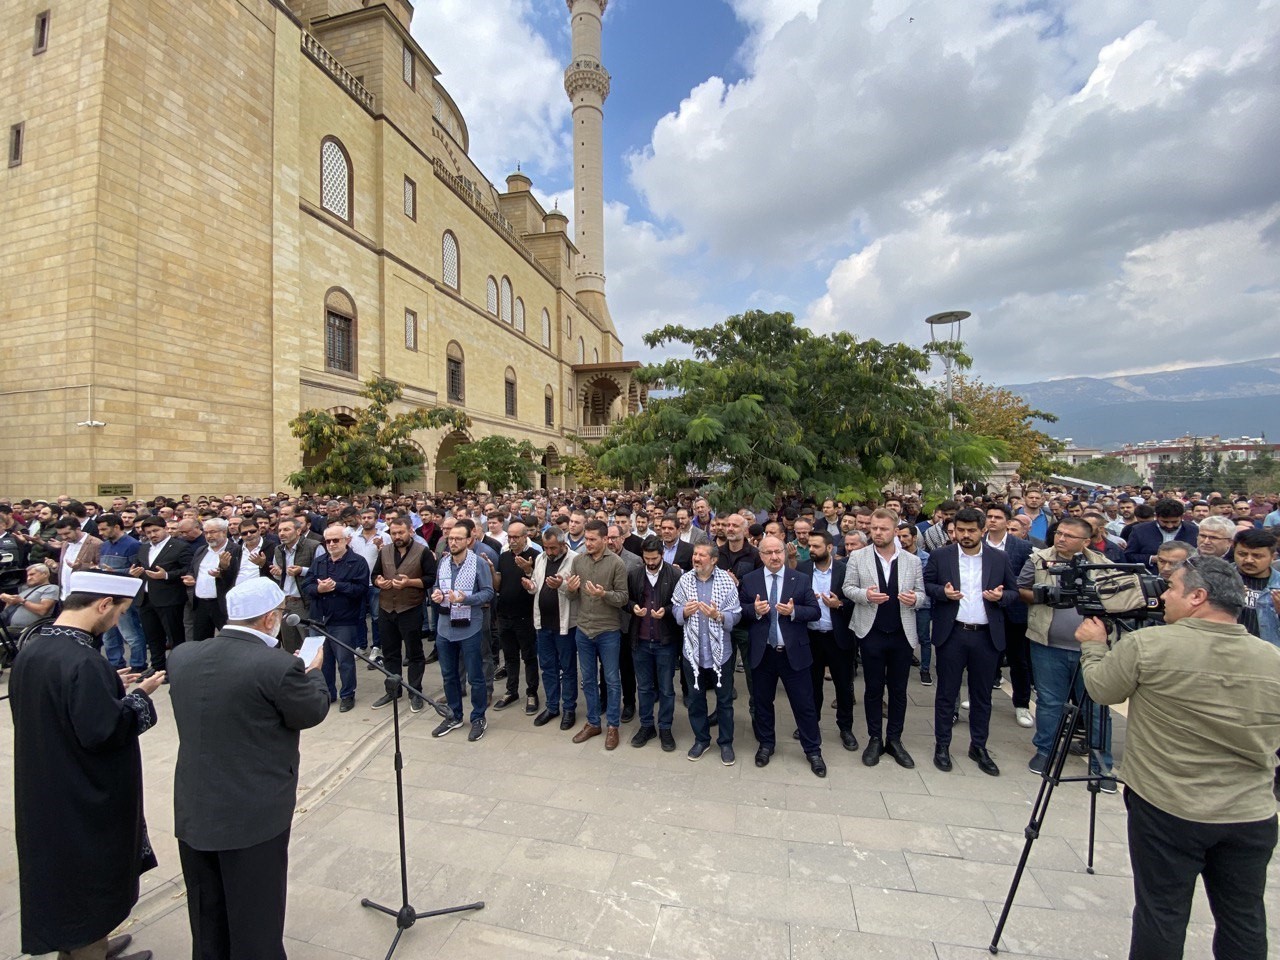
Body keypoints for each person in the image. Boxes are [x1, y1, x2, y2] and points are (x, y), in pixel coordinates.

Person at [1078, 557, 1280, 960]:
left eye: (1171, 587)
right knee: (1243, 917)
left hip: (1168, 808)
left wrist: (1093, 646)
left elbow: (1102, 689)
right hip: (1250, 814)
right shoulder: (1272, 658)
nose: (1163, 596)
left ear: (1197, 596)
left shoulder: (1148, 644)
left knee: (1161, 914)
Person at [168, 577, 330, 960]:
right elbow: (310, 711)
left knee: (207, 914)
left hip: (195, 804)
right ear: (271, 618)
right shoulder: (279, 666)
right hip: (253, 812)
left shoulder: (183, 655)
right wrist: (314, 672)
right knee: (255, 917)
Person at [10, 571, 162, 960]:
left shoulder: (36, 645)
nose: (115, 622)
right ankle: (88, 950)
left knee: (68, 880)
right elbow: (104, 733)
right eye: (118, 612)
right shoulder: (83, 660)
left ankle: (92, 946)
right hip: (83, 798)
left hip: (47, 784)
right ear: (103, 604)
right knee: (88, 884)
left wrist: (107, 684)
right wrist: (140, 697)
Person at [1018, 516, 1116, 789]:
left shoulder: (1102, 564)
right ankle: (1045, 752)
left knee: (1097, 707)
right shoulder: (1039, 559)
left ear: (1086, 541)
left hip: (1092, 649)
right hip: (1047, 644)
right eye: (1059, 533)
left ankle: (1102, 767)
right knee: (1050, 702)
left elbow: (1118, 596)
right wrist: (1041, 595)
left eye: (1069, 536)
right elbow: (1022, 588)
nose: (1061, 539)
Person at [924, 508, 1016, 776]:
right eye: (960, 530)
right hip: (952, 634)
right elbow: (927, 585)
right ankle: (942, 745)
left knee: (981, 696)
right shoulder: (941, 556)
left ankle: (979, 746)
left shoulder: (999, 558)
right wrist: (943, 592)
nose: (965, 535)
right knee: (946, 694)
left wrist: (1000, 597)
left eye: (971, 531)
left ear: (982, 529)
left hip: (986, 636)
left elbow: (1013, 592)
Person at [843, 509, 924, 769]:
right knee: (873, 689)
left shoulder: (912, 561)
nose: (877, 532)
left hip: (902, 633)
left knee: (899, 690)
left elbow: (922, 594)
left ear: (894, 531)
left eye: (883, 529)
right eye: (874, 528)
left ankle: (895, 739)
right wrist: (864, 595)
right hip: (871, 632)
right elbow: (848, 588)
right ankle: (875, 738)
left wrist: (916, 600)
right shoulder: (858, 556)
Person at [740, 535, 825, 777]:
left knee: (804, 704)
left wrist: (795, 611)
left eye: (778, 551)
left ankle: (813, 750)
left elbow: (815, 612)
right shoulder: (750, 579)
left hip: (793, 653)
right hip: (763, 653)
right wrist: (753, 611)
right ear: (761, 555)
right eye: (769, 553)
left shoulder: (801, 579)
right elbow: (740, 609)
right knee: (763, 703)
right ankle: (766, 744)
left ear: (785, 553)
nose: (775, 557)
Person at [672, 540, 741, 762]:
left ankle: (726, 743)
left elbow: (737, 615)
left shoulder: (726, 582)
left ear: (713, 560)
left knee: (724, 702)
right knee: (695, 699)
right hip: (693, 653)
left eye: (702, 555)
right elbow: (674, 608)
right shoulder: (684, 579)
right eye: (695, 554)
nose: (696, 558)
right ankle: (701, 740)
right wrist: (683, 612)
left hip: (720, 654)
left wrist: (718, 616)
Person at [565, 519, 629, 749]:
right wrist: (570, 590)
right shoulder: (578, 560)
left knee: (612, 680)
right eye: (586, 539)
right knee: (588, 679)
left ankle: (612, 726)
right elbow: (573, 597)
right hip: (584, 628)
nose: (587, 543)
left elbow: (623, 598)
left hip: (608, 630)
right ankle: (593, 722)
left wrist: (604, 594)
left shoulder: (617, 564)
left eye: (592, 539)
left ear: (605, 539)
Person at [430, 522, 496, 741]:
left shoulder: (478, 563)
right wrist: (438, 595)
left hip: (470, 628)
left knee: (475, 677)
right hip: (445, 627)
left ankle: (478, 717)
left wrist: (466, 599)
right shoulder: (444, 562)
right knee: (449, 675)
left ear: (469, 540)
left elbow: (488, 593)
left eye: (458, 538)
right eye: (450, 538)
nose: (453, 542)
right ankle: (454, 714)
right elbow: (438, 586)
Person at [796, 529, 858, 752]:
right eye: (810, 546)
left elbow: (857, 600)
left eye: (816, 547)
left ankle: (845, 727)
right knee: (812, 685)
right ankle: (811, 724)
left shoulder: (845, 570)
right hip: (811, 637)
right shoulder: (802, 569)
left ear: (830, 548)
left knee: (843, 685)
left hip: (838, 636)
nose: (811, 550)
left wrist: (839, 604)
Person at [370, 517, 435, 713]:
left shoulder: (422, 552)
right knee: (390, 653)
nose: (397, 536)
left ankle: (415, 691)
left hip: (410, 608)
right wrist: (379, 582)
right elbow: (374, 575)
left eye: (401, 532)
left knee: (414, 653)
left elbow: (431, 579)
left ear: (410, 531)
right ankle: (393, 690)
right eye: (393, 533)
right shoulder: (385, 551)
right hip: (387, 608)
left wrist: (409, 582)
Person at [302, 525, 370, 712]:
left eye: (335, 540)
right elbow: (306, 584)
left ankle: (347, 695)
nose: (331, 544)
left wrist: (337, 586)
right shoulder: (320, 561)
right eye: (328, 541)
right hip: (319, 619)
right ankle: (327, 693)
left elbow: (361, 590)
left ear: (346, 540)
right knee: (323, 660)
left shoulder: (357, 562)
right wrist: (318, 589)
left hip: (343, 619)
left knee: (345, 661)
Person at [628, 535, 683, 752]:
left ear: (662, 554)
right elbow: (628, 600)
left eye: (654, 558)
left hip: (665, 641)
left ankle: (666, 727)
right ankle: (646, 725)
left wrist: (667, 611)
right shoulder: (634, 574)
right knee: (644, 687)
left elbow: (680, 603)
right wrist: (633, 608)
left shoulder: (675, 574)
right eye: (646, 558)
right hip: (640, 640)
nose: (650, 562)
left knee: (667, 688)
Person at [524, 524, 579, 729]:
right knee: (547, 667)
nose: (549, 552)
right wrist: (530, 586)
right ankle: (552, 706)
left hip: (565, 625)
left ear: (563, 545)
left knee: (568, 668)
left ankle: (569, 708)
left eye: (553, 548)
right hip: (543, 623)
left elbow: (577, 591)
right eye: (546, 547)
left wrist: (562, 586)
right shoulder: (540, 559)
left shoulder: (575, 560)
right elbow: (536, 585)